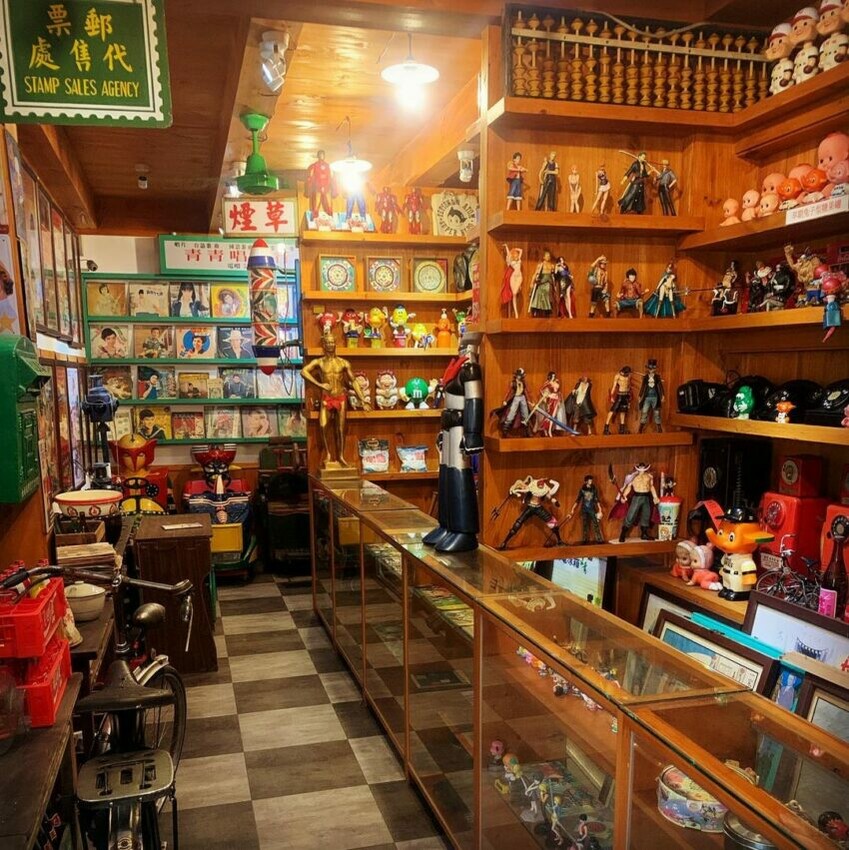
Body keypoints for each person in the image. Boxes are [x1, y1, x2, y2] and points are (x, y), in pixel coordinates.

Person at [565, 475, 604, 544]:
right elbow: (578, 500)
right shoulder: (582, 490)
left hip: (592, 509)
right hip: (584, 509)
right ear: (586, 481)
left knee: (595, 524)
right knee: (585, 525)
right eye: (589, 480)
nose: (591, 481)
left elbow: (597, 499)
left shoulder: (594, 489)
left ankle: (599, 539)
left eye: (591, 480)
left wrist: (600, 509)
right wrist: (572, 509)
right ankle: (585, 539)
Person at [604, 365, 632, 435]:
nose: (627, 374)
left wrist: (629, 394)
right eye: (626, 373)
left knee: (623, 411)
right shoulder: (618, 376)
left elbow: (628, 385)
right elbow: (614, 386)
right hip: (620, 395)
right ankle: (606, 428)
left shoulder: (628, 376)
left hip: (625, 395)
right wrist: (611, 396)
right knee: (612, 410)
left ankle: (622, 429)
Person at [638, 359, 665, 433]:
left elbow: (660, 387)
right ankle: (640, 428)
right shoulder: (645, 377)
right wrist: (640, 395)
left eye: (653, 368)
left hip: (655, 397)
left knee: (656, 413)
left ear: (655, 369)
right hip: (647, 397)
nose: (651, 370)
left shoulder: (657, 377)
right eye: (650, 368)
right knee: (644, 412)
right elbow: (643, 387)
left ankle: (659, 428)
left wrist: (663, 395)